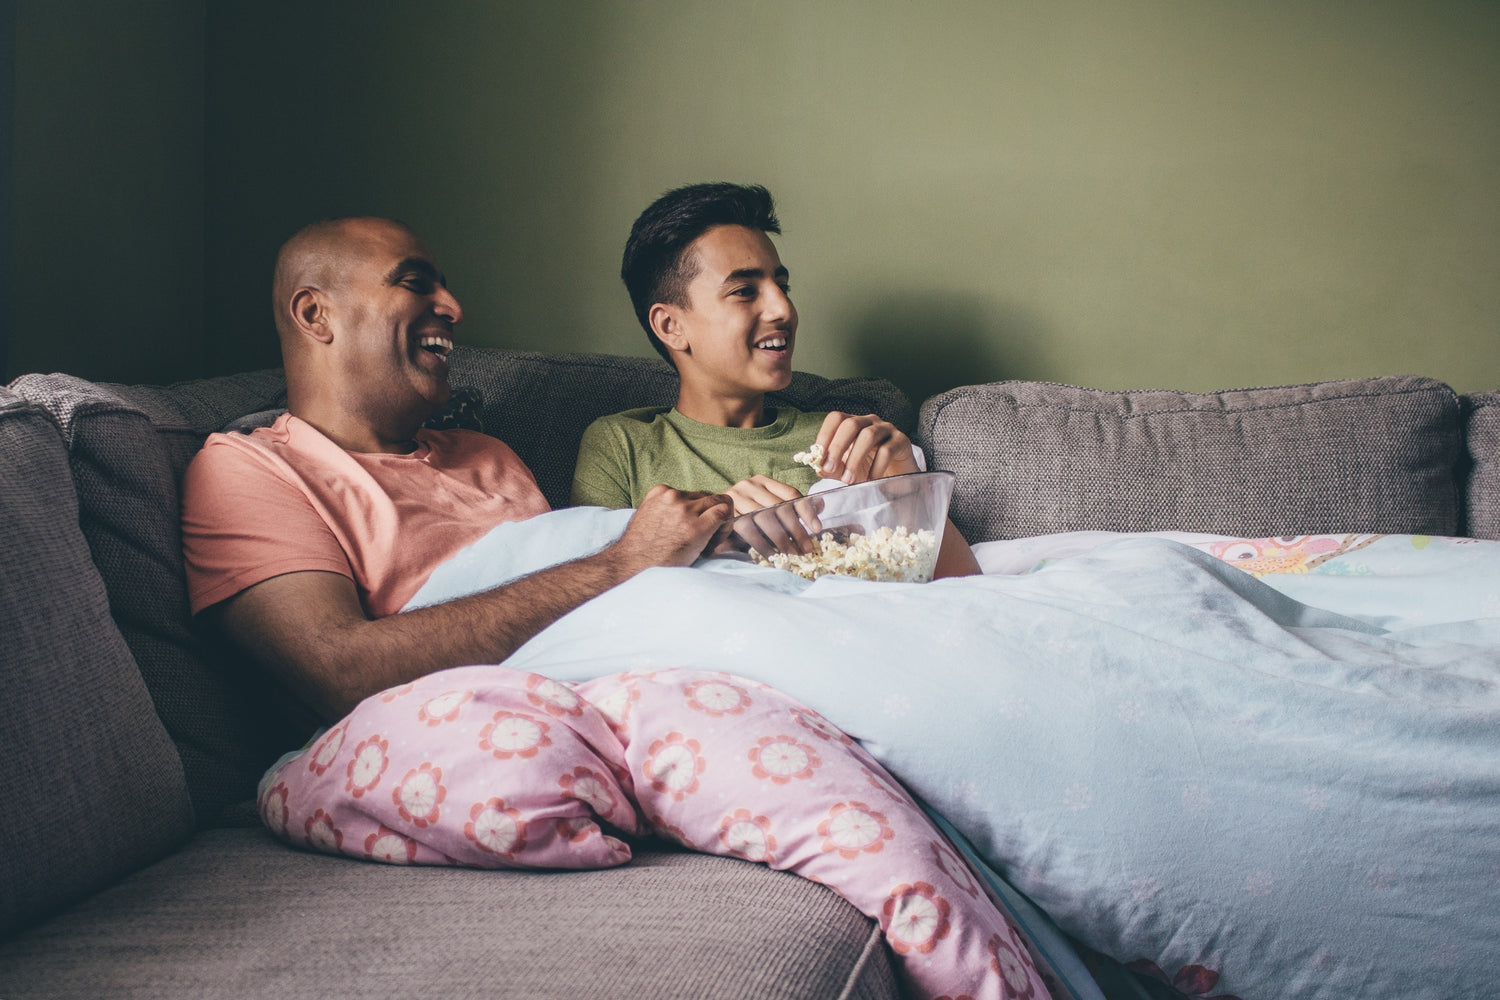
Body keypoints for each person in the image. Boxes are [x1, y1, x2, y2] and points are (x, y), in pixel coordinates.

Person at [180, 216, 734, 721]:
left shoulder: (486, 454)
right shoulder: (249, 469)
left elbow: (577, 627)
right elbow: (337, 672)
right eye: (415, 283)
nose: (453, 307)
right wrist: (624, 562)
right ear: (315, 314)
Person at [571, 182, 980, 577]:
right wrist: (719, 532)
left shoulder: (842, 443)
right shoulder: (622, 445)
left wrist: (907, 485)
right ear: (670, 325)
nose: (783, 308)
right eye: (745, 291)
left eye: (782, 286)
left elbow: (963, 593)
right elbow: (590, 590)